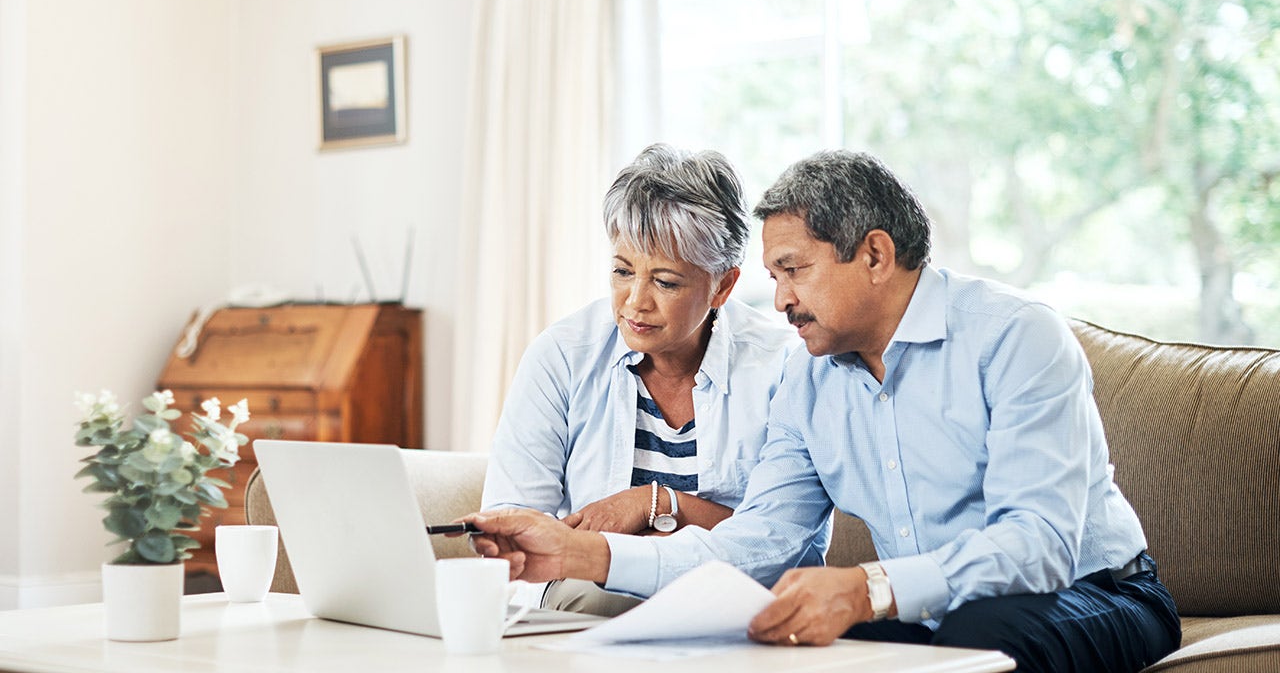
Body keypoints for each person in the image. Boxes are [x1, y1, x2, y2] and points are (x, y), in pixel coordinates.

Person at [464, 150, 1182, 672]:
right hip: (930, 610)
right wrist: (581, 553)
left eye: (794, 272)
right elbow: (757, 545)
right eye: (775, 277)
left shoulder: (1016, 337)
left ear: (874, 255)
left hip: (1094, 591)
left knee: (978, 632)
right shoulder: (806, 380)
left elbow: (1038, 545)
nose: (778, 301)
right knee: (816, 652)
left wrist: (868, 588)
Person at [480, 143, 815, 617]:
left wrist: (655, 502)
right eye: (621, 271)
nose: (635, 302)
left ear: (722, 285)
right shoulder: (562, 355)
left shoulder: (782, 367)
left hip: (731, 603)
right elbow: (514, 521)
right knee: (594, 598)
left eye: (665, 282)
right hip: (589, 602)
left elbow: (781, 543)